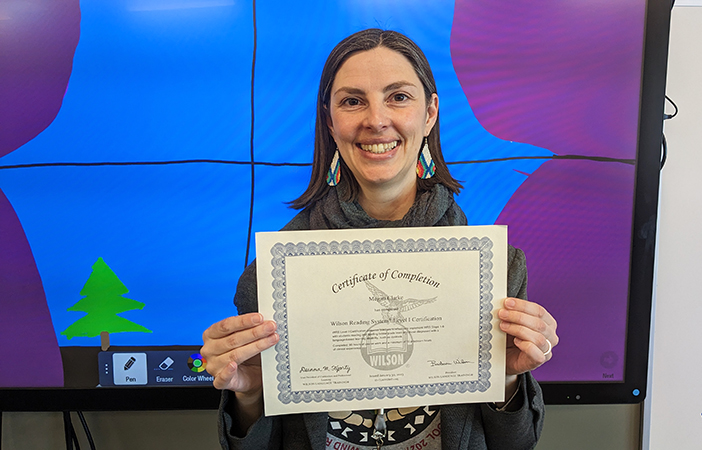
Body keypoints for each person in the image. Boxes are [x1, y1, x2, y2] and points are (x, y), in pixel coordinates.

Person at [200, 28, 559, 450]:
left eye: (399, 97)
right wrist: (250, 394)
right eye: (353, 101)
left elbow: (516, 445)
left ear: (429, 114)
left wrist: (508, 378)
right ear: (330, 122)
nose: (376, 119)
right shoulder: (269, 279)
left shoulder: (497, 271)